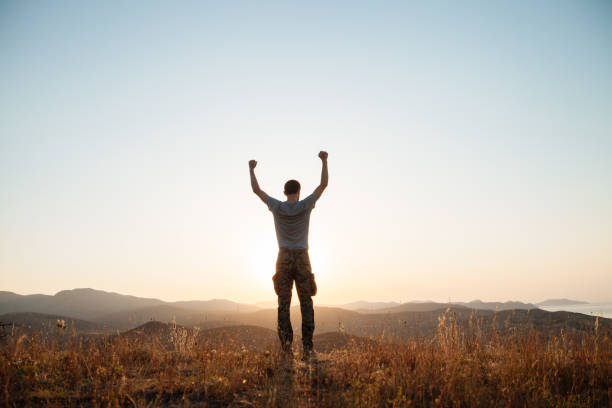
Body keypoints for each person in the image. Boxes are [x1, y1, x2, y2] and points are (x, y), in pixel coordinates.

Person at [249, 151, 328, 359]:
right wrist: (324, 161)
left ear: (284, 192)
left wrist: (251, 170)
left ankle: (286, 349)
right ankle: (308, 347)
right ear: (299, 192)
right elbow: (323, 186)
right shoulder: (305, 205)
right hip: (302, 257)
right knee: (306, 302)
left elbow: (256, 190)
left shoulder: (277, 206)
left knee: (283, 304)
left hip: (283, 257)